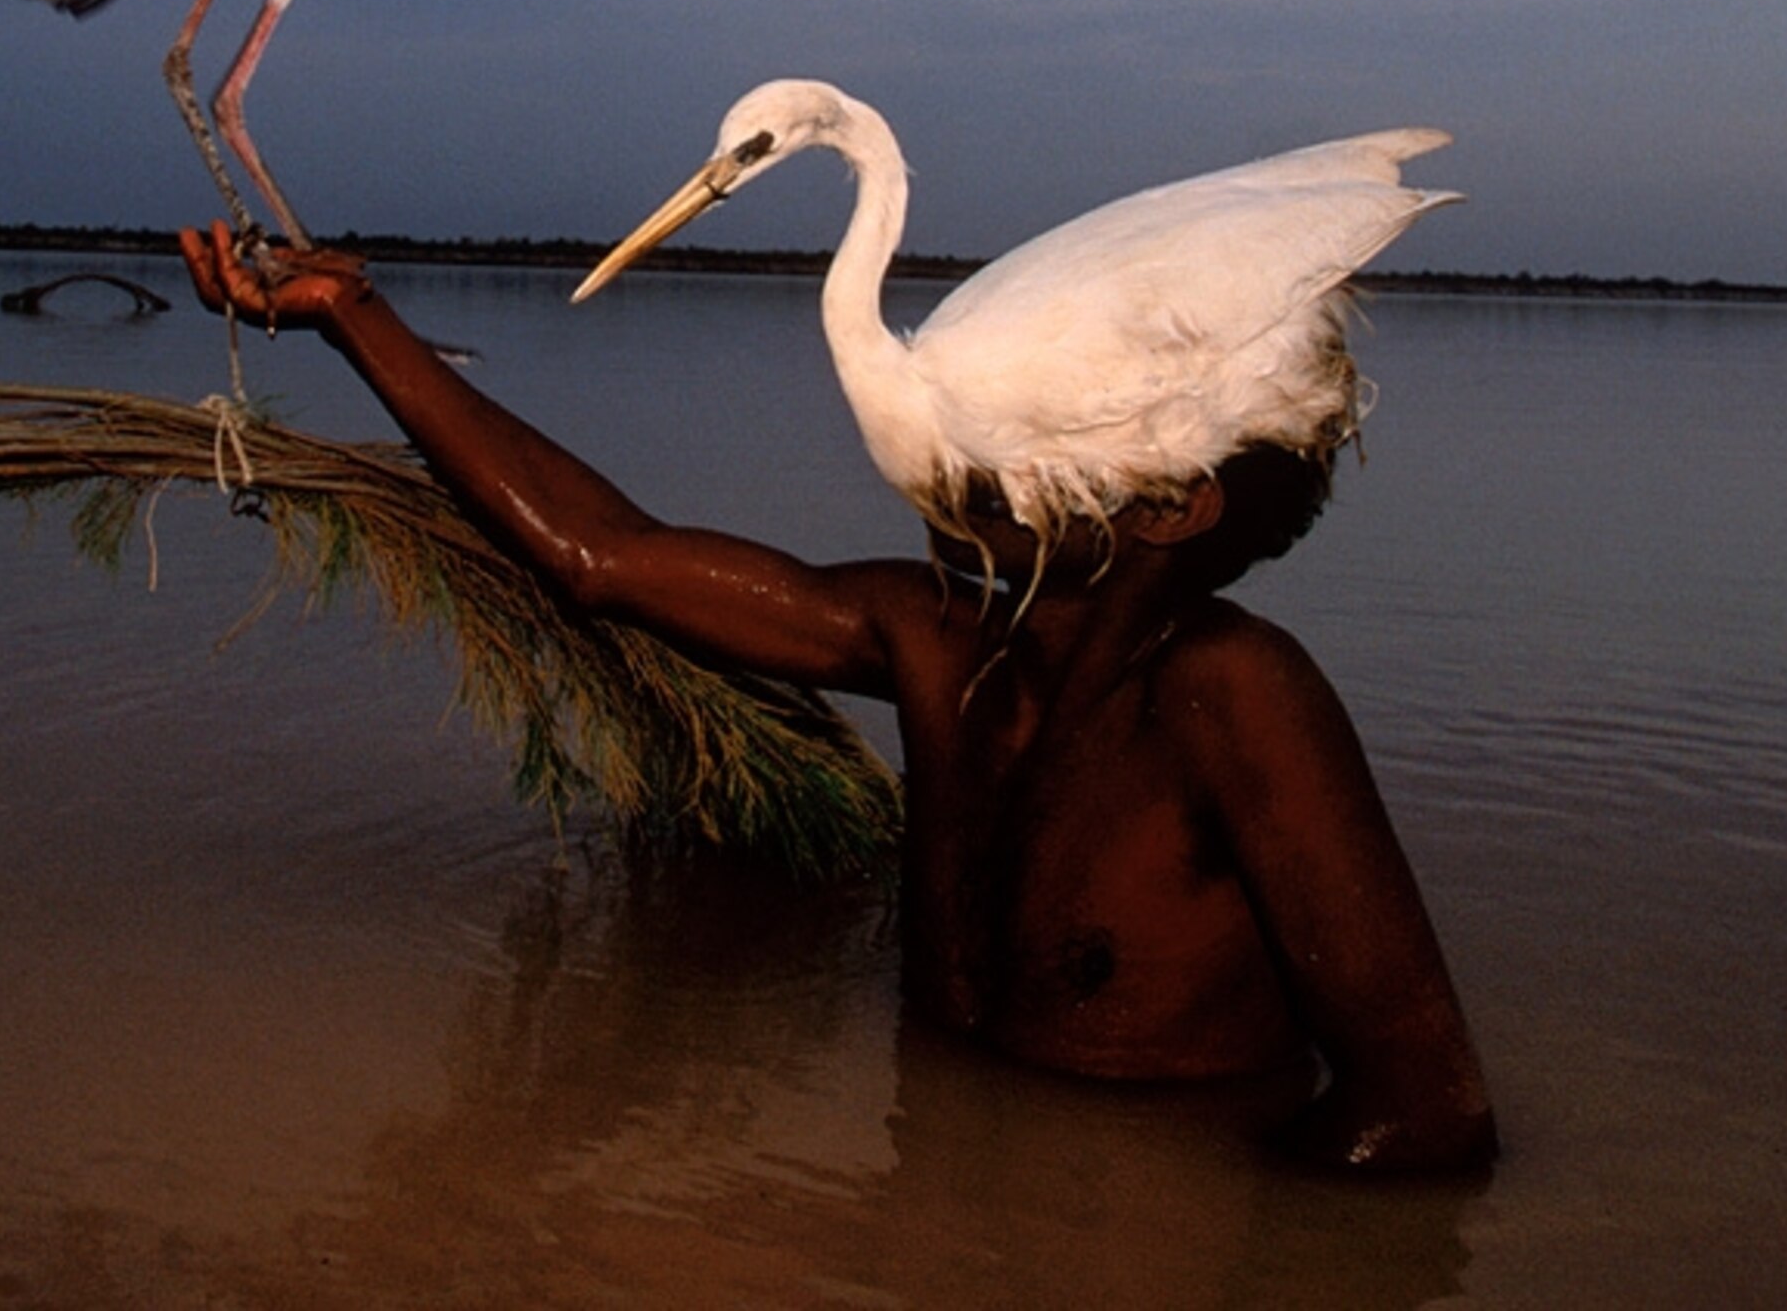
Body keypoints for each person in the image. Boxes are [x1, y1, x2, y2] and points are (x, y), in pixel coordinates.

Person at [180, 227, 1498, 1174]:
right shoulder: (932, 636)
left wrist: (1195, 1245)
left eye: (1031, 446)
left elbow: (1425, 1108)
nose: (966, 461)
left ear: (1168, 503)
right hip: (936, 1180)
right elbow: (606, 558)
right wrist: (355, 314)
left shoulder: (1233, 695)